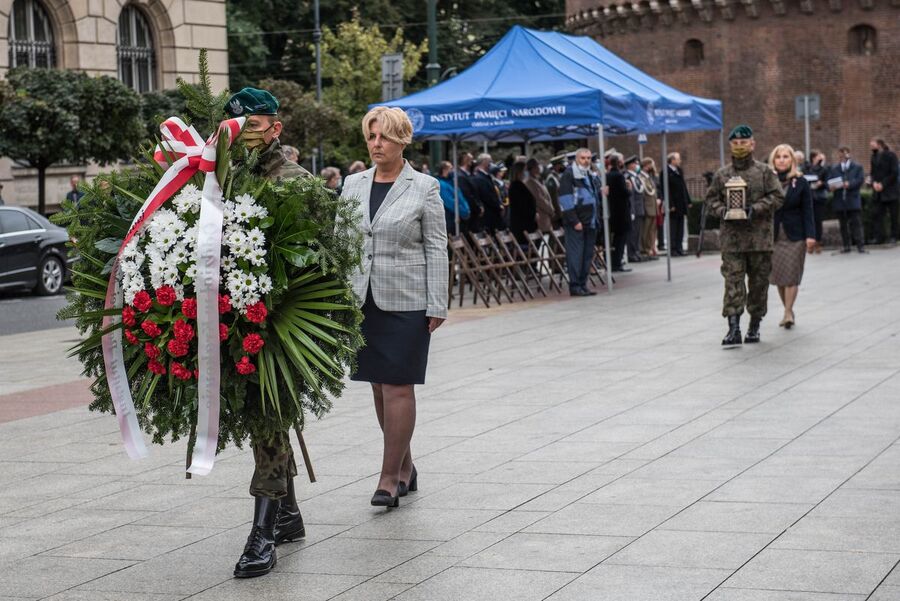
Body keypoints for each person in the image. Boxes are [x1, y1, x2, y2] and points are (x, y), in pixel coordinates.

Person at [223, 87, 311, 579]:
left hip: (281, 324)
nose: (242, 137)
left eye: (251, 127)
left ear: (275, 129)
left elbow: (314, 260)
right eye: (233, 128)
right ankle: (290, 515)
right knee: (266, 419)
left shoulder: (294, 180)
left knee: (268, 418)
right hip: (238, 317)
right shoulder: (227, 180)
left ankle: (262, 535)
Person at [341, 106, 448, 509]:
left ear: (402, 139)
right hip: (361, 299)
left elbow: (437, 246)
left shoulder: (424, 187)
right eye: (370, 136)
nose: (375, 144)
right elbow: (342, 241)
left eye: (383, 136)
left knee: (397, 385)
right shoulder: (352, 185)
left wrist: (438, 300)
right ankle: (405, 465)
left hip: (407, 300)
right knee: (377, 385)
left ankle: (388, 478)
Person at [705, 125, 784, 346]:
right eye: (735, 143)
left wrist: (756, 208)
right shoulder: (722, 175)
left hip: (759, 240)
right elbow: (711, 200)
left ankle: (754, 326)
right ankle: (733, 328)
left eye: (744, 142)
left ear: (752, 144)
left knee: (759, 285)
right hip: (732, 241)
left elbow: (778, 197)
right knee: (733, 283)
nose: (740, 146)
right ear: (730, 145)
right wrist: (723, 211)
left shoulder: (764, 172)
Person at [769, 144, 816, 329]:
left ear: (792, 160)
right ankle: (787, 309)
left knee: (791, 275)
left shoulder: (801, 182)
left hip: (795, 235)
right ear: (773, 160)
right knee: (780, 277)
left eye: (785, 157)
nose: (782, 160)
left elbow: (808, 210)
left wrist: (811, 236)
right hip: (774, 235)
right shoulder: (768, 181)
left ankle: (788, 312)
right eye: (778, 157)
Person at [558, 148, 600, 296]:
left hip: (590, 220)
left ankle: (583, 284)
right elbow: (565, 200)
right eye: (583, 158)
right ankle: (575, 286)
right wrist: (574, 220)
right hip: (577, 222)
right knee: (576, 254)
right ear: (576, 159)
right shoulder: (569, 174)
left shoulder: (589, 174)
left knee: (587, 255)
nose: (586, 161)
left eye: (588, 158)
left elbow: (593, 195)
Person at [828, 146, 865, 253]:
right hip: (839, 199)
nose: (842, 156)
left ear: (848, 154)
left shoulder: (857, 167)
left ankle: (860, 245)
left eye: (844, 153)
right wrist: (831, 186)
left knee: (856, 223)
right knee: (843, 224)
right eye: (840, 154)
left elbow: (860, 180)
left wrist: (850, 184)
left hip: (852, 199)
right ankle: (846, 245)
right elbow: (829, 181)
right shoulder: (835, 168)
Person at [869, 138, 899, 245]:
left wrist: (883, 184)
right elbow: (872, 173)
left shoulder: (891, 155)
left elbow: (894, 173)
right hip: (878, 191)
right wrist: (873, 183)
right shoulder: (873, 157)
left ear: (879, 145)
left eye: (873, 144)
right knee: (877, 214)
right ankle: (879, 237)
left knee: (893, 215)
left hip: (890, 191)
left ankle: (894, 236)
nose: (871, 147)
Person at [606, 153, 632, 273]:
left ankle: (615, 262)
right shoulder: (618, 175)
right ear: (619, 162)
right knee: (620, 239)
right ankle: (617, 263)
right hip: (621, 211)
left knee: (617, 239)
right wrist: (629, 188)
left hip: (614, 210)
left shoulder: (608, 175)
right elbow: (624, 193)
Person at [664, 152, 691, 256]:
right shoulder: (666, 172)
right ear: (672, 160)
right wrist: (670, 204)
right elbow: (665, 190)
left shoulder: (679, 171)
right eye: (678, 159)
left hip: (681, 204)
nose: (680, 161)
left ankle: (679, 248)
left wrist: (688, 201)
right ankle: (673, 249)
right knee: (673, 228)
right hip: (673, 204)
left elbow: (683, 187)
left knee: (680, 227)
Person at [471, 154, 505, 233]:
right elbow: (487, 196)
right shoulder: (479, 178)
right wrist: (498, 207)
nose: (491, 164)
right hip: (488, 216)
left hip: (493, 215)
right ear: (484, 162)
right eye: (490, 161)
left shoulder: (487, 176)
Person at [436, 160, 471, 234]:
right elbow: (450, 203)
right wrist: (463, 212)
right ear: (444, 170)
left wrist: (466, 209)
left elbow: (461, 198)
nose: (453, 171)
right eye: (450, 168)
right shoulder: (441, 184)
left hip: (460, 217)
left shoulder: (452, 182)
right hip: (452, 220)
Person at [507, 160, 538, 244]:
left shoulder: (521, 185)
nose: (526, 172)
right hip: (522, 224)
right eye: (525, 170)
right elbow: (522, 205)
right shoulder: (516, 186)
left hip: (527, 222)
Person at [806, 150, 829, 253]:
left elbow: (827, 182)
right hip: (809, 197)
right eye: (818, 156)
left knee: (818, 221)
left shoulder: (824, 169)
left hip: (819, 197)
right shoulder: (807, 168)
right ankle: (810, 243)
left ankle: (818, 242)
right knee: (810, 220)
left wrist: (822, 183)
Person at [524, 158, 555, 234]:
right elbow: (539, 200)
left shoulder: (537, 180)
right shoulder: (530, 182)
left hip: (545, 216)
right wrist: (551, 210)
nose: (539, 168)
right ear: (533, 168)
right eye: (537, 166)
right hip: (541, 217)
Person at [624, 156, 645, 262]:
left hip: (639, 208)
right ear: (630, 165)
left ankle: (636, 251)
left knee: (637, 232)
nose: (637, 165)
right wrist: (631, 210)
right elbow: (630, 196)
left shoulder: (636, 177)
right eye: (635, 164)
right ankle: (631, 254)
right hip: (633, 209)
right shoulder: (627, 177)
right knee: (632, 233)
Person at [455, 151, 483, 232]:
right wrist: (478, 208)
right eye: (470, 159)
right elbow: (467, 195)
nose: (473, 161)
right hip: (470, 214)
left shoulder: (469, 175)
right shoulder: (460, 176)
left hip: (475, 213)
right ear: (465, 160)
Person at [639, 158, 660, 258]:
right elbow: (645, 193)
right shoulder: (641, 177)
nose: (652, 167)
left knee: (652, 230)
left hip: (653, 207)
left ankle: (650, 248)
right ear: (646, 165)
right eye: (651, 165)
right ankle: (644, 250)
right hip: (648, 207)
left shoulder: (649, 177)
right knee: (645, 230)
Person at [544, 158, 566, 227]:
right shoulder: (551, 179)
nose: (563, 167)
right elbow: (554, 198)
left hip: (562, 210)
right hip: (557, 213)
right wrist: (559, 213)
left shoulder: (557, 177)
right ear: (556, 166)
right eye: (561, 165)